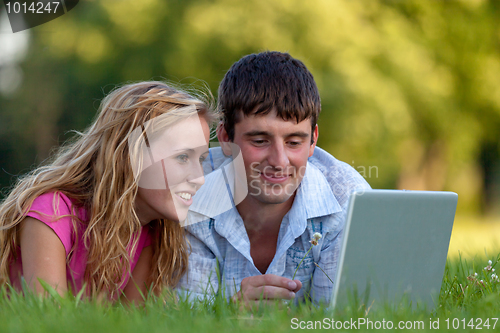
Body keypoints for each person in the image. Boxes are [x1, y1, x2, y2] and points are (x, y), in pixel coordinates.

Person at [178, 51, 371, 306]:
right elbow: (184, 317)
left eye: (294, 142)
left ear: (313, 140)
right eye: (259, 141)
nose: (279, 161)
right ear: (225, 138)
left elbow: (344, 320)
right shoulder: (189, 190)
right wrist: (228, 313)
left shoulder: (349, 200)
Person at [0, 81, 216, 302]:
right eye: (182, 157)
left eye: (201, 159)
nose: (199, 178)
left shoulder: (151, 232)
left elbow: (132, 323)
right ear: (131, 155)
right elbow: (49, 320)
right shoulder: (53, 212)